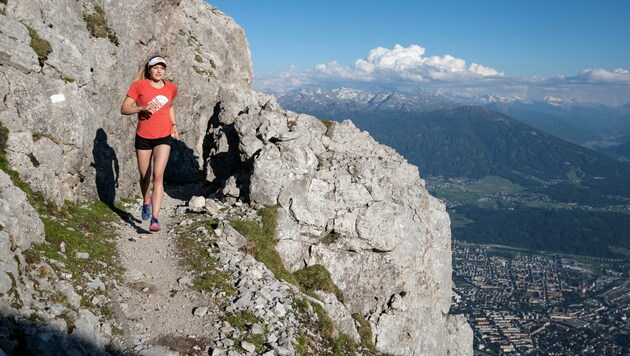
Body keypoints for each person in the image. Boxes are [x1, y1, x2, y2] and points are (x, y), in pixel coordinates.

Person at [120, 55, 178, 232]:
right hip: (143, 136)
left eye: (162, 67)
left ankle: (155, 218)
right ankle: (146, 200)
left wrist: (174, 125)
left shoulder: (171, 87)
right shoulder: (139, 86)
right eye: (155, 67)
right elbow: (124, 108)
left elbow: (169, 106)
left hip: (163, 136)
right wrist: (141, 108)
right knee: (145, 176)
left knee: (158, 176)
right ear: (149, 70)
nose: (159, 70)